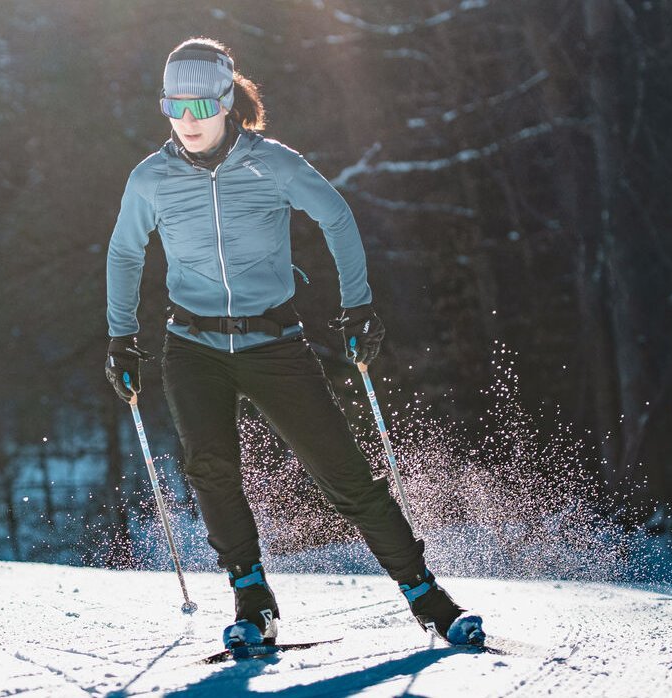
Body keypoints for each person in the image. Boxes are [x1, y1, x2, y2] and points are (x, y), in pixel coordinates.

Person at [102, 37, 484, 648]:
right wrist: (121, 338)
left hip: (273, 343)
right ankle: (252, 601)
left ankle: (427, 598)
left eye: (201, 106)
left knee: (344, 475)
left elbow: (336, 217)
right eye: (175, 106)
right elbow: (124, 253)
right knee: (210, 469)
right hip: (191, 346)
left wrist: (357, 306)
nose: (188, 120)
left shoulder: (271, 162)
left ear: (226, 102)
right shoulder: (152, 177)